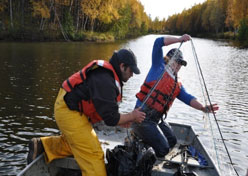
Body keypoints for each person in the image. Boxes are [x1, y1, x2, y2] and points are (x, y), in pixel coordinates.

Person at [27, 49, 146, 176]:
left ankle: (42, 147)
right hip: (68, 111)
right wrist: (132, 116)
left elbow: (107, 114)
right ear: (122, 66)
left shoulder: (107, 77)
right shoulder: (105, 80)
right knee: (94, 154)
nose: (132, 75)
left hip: (69, 107)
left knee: (78, 143)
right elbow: (111, 119)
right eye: (131, 71)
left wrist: (123, 120)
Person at [132, 34, 219, 158]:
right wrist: (179, 39)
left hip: (156, 120)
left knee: (172, 141)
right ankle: (138, 143)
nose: (178, 66)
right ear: (168, 59)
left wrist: (203, 108)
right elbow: (158, 42)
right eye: (176, 62)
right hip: (142, 118)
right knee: (163, 149)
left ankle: (147, 141)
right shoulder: (158, 66)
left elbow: (188, 98)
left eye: (181, 64)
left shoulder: (176, 84)